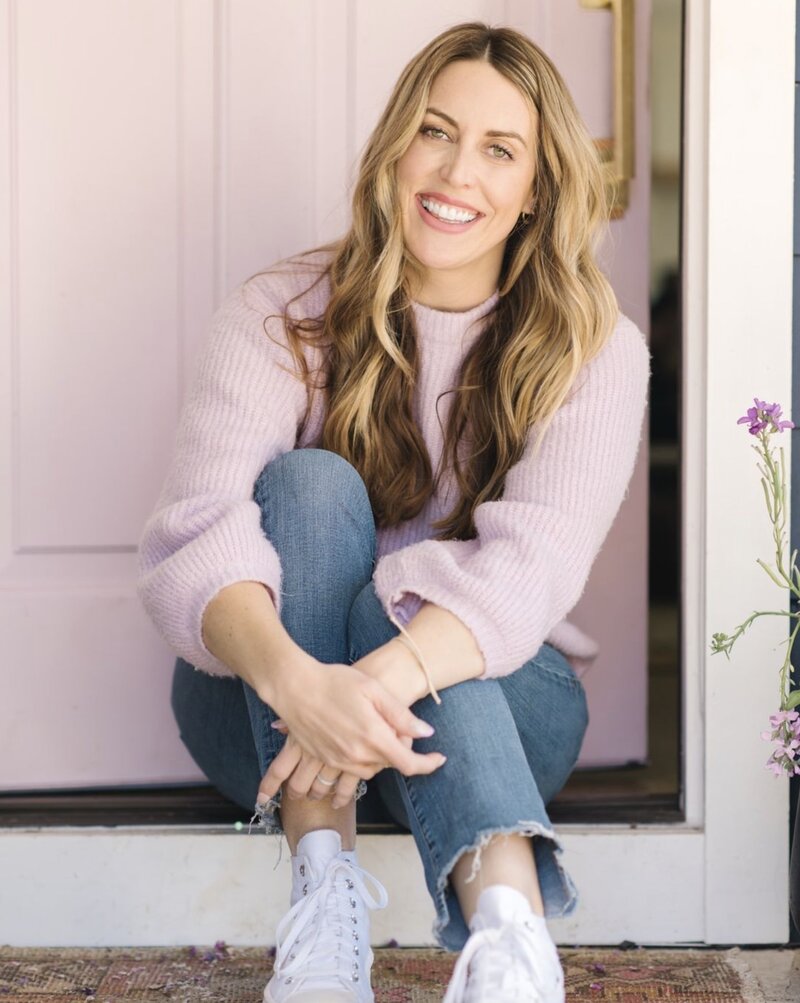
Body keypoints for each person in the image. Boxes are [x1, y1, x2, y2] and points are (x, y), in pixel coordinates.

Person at [137, 20, 650, 1003]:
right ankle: (321, 906)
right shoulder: (281, 311)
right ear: (393, 146)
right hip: (264, 716)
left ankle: (508, 943)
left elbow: (530, 567)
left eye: (499, 149)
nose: (456, 172)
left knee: (408, 597)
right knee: (307, 488)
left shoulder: (592, 345)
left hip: (498, 720)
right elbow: (196, 534)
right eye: (434, 131)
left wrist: (372, 669)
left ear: (536, 187)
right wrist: (298, 684)